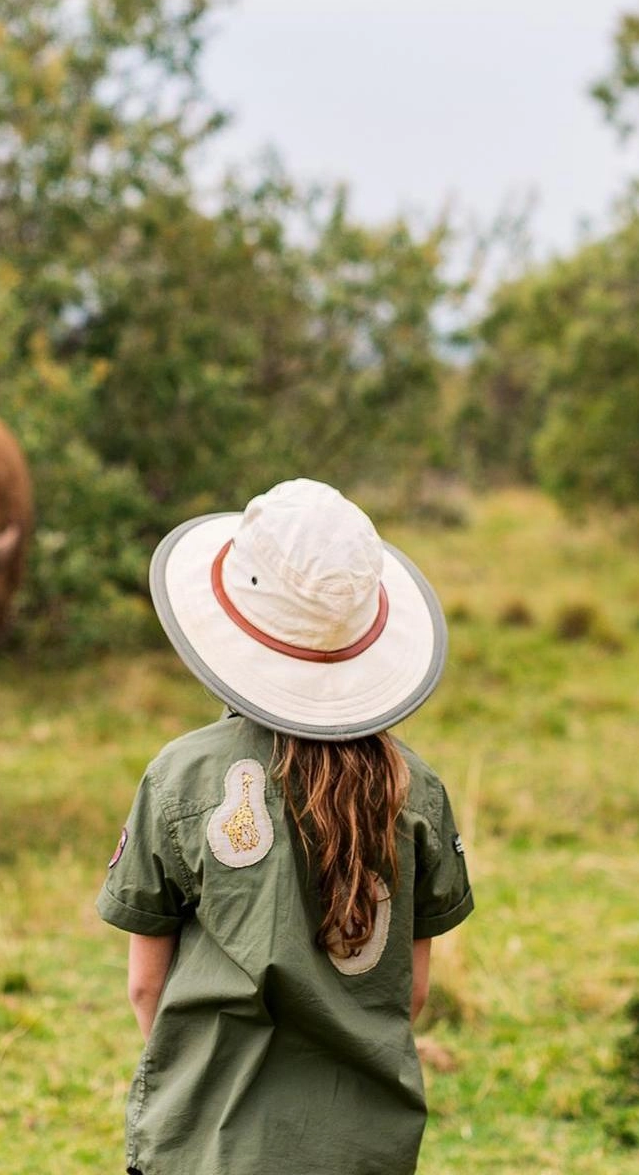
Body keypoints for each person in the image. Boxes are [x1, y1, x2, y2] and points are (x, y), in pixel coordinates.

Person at [100, 477, 474, 1175]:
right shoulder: (416, 789)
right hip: (363, 1149)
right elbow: (412, 992)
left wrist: (198, 1088)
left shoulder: (177, 776)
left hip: (203, 1145)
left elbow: (145, 987)